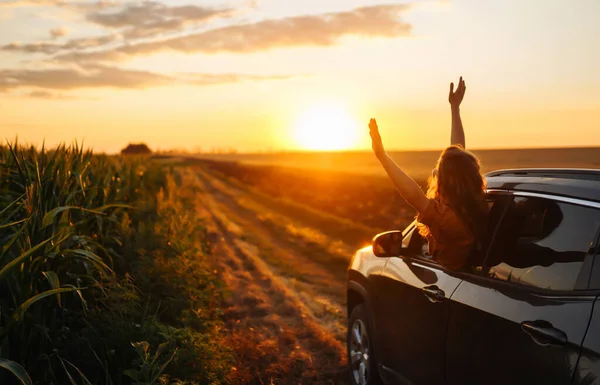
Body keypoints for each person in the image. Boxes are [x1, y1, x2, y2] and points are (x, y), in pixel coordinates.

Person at [369, 77, 488, 270]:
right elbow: (459, 154)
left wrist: (382, 157)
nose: (435, 169)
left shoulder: (449, 218)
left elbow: (413, 194)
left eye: (439, 167)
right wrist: (455, 109)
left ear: (448, 181)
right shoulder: (474, 204)